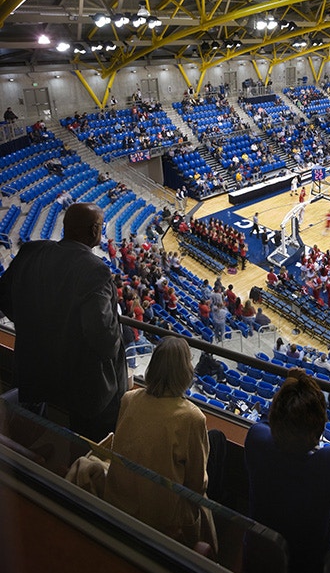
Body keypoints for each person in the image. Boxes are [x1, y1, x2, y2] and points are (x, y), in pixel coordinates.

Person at [0, 203, 127, 440]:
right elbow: (106, 341)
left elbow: (4, 297)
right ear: (94, 231)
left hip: (34, 371)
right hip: (78, 388)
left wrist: (34, 328)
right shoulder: (94, 270)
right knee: (84, 446)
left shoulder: (31, 251)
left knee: (37, 440)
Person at [244, 370, 330, 573]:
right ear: (320, 429)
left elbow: (272, 421)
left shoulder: (255, 439)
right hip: (311, 568)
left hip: (262, 554)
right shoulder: (327, 463)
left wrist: (288, 385)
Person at [104, 337, 215, 549]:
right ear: (185, 372)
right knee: (216, 446)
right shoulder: (192, 418)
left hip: (118, 500)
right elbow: (197, 485)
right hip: (159, 519)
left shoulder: (129, 398)